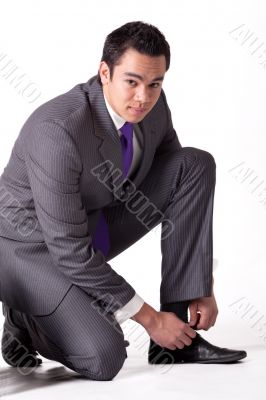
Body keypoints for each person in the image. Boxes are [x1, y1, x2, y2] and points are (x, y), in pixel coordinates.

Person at [0, 21, 247, 380]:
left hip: (91, 222)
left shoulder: (152, 108)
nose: (143, 97)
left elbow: (177, 185)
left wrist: (201, 286)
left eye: (155, 84)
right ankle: (24, 318)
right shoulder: (57, 129)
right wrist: (149, 319)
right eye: (131, 82)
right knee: (104, 356)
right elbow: (67, 249)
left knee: (193, 165)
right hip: (27, 247)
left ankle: (176, 342)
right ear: (105, 72)